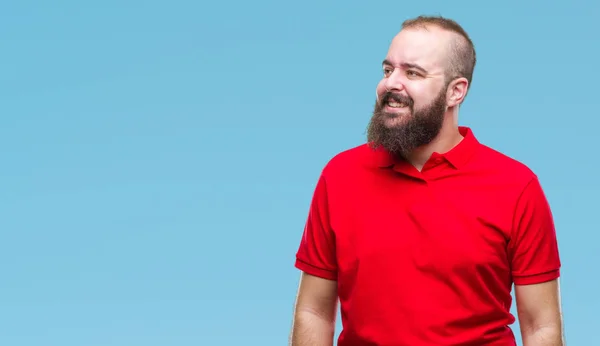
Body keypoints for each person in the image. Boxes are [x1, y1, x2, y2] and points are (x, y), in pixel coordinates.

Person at [289, 15, 564, 346]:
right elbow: (314, 312)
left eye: (413, 73)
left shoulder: (517, 187)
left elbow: (540, 327)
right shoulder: (340, 175)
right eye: (387, 70)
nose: (391, 83)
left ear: (455, 92)